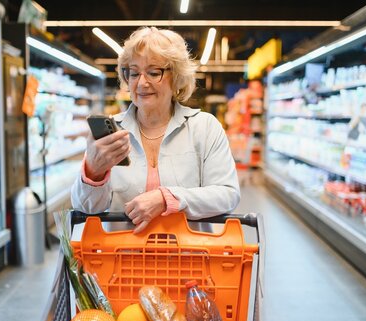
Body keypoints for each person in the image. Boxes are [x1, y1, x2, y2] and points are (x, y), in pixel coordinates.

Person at [71, 27, 240, 233]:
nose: (141, 82)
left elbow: (227, 194)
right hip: (122, 259)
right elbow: (86, 208)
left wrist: (167, 198)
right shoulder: (113, 132)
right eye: (133, 73)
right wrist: (93, 171)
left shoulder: (204, 128)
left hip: (189, 260)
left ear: (177, 77)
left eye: (153, 72)